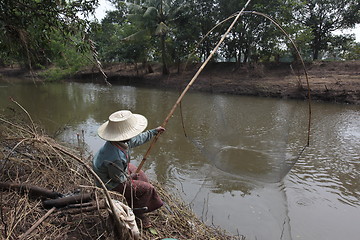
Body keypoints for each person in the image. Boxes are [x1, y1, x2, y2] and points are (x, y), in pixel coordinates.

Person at [92, 110, 165, 228]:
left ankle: (136, 197)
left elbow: (137, 139)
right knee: (148, 188)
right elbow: (117, 179)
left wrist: (153, 132)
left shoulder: (118, 141)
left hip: (114, 172)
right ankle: (137, 213)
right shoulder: (114, 157)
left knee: (140, 174)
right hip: (109, 183)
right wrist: (130, 177)